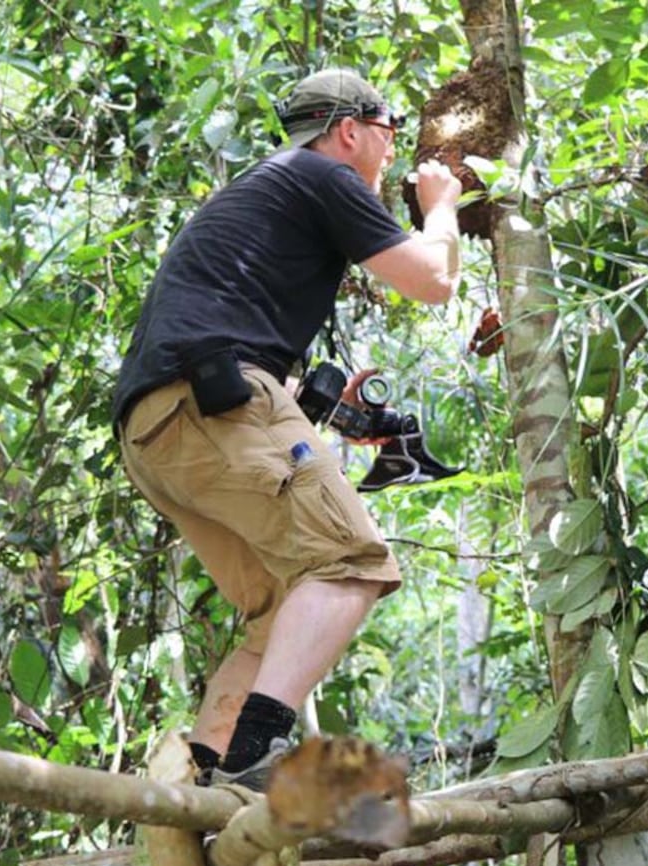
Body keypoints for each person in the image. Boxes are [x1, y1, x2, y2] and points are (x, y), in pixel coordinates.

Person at [111, 68, 463, 790]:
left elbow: (227, 326)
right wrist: (444, 206)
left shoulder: (268, 192)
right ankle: (256, 754)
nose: (392, 146)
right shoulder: (321, 176)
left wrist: (326, 405)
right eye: (388, 129)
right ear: (349, 131)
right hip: (205, 402)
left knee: (279, 604)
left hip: (159, 428)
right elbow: (435, 280)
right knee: (350, 562)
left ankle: (207, 784)